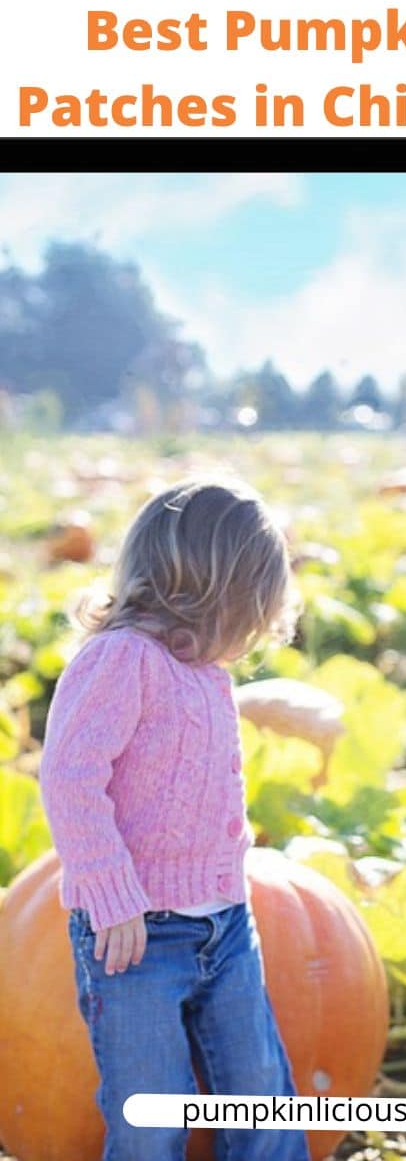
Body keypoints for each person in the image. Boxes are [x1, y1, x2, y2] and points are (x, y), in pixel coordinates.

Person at [39, 474, 311, 1161]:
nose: (248, 641)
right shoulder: (119, 659)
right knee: (151, 1113)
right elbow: (71, 778)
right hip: (135, 937)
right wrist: (110, 894)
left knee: (259, 1096)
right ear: (215, 593)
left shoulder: (205, 671)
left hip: (225, 926)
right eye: (249, 619)